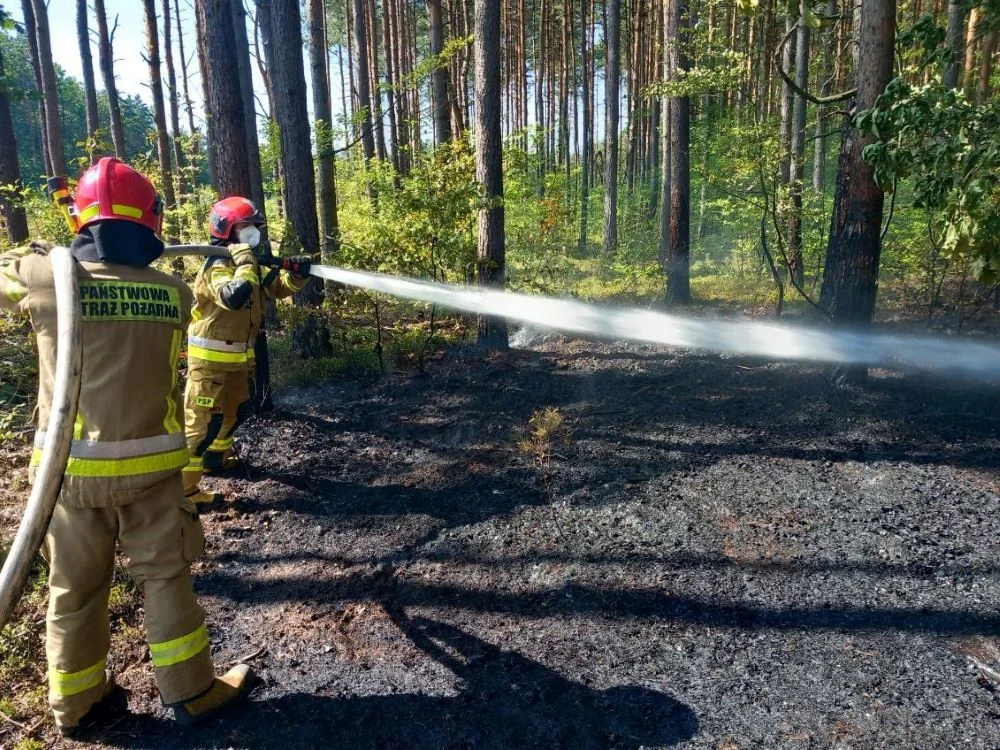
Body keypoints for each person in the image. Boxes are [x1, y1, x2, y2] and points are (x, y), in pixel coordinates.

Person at [0, 157, 253, 735]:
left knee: (74, 589)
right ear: (151, 222)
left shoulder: (44, 280)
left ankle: (78, 704)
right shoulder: (169, 292)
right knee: (165, 577)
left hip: (68, 480)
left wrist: (37, 252)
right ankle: (191, 691)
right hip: (154, 475)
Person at [182, 196, 311, 505]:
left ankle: (217, 458)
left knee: (235, 413)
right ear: (226, 230)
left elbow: (277, 288)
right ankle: (183, 491)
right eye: (246, 226)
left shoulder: (249, 264)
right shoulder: (218, 264)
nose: (253, 232)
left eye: (256, 226)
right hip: (209, 365)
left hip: (240, 361)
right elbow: (234, 296)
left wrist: (296, 275)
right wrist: (243, 264)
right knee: (202, 424)